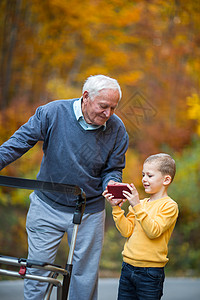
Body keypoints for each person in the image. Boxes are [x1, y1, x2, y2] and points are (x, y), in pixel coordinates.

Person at [0, 75, 129, 300]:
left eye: (113, 108)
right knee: (38, 270)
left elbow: (114, 168)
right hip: (47, 205)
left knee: (84, 277)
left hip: (88, 211)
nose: (108, 113)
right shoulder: (52, 112)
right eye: (103, 106)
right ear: (86, 97)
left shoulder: (117, 130)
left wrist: (111, 183)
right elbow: (19, 143)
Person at [103, 153, 179, 300]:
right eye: (143, 175)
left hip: (150, 273)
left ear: (166, 179)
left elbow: (153, 231)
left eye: (150, 176)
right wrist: (116, 208)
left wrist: (136, 205)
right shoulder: (140, 204)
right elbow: (126, 231)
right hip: (127, 268)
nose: (144, 179)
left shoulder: (169, 206)